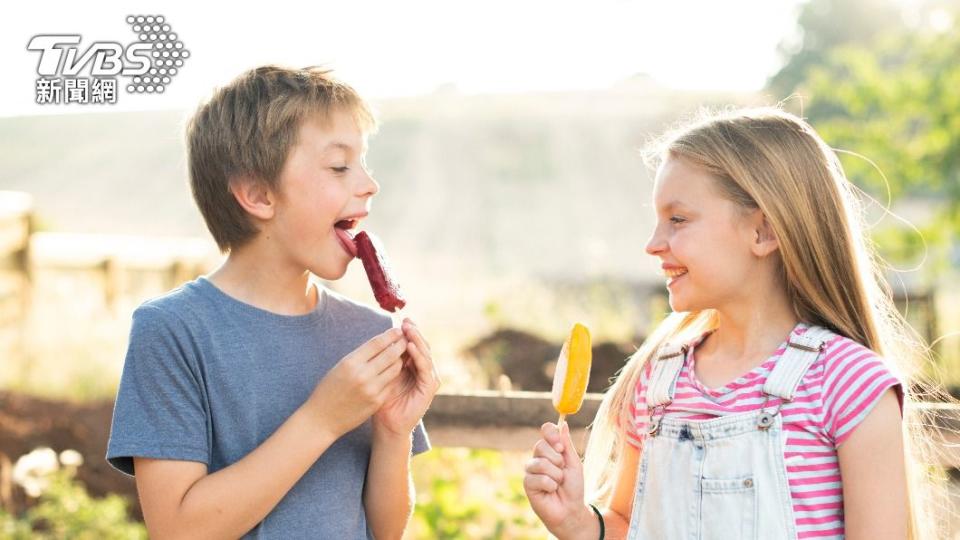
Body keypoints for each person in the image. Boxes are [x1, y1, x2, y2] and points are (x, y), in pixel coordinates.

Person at [524, 107, 948, 539]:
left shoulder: (848, 382)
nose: (653, 244)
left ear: (763, 232)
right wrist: (579, 524)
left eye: (678, 219)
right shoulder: (657, 382)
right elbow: (629, 526)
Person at [106, 65, 441, 539]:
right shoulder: (173, 330)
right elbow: (178, 530)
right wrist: (322, 419)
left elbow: (384, 532)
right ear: (259, 194)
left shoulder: (368, 334)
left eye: (365, 163)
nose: (369, 183)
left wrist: (393, 432)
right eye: (339, 166)